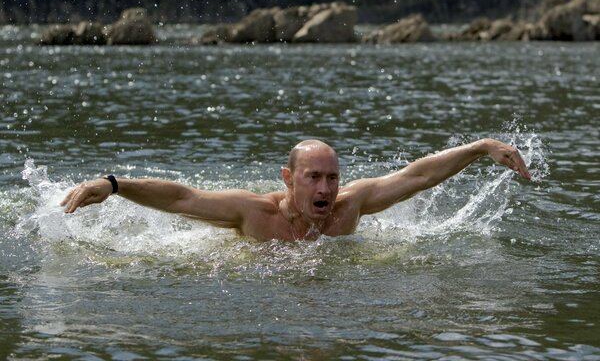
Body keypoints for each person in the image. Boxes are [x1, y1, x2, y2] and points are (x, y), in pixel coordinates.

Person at [61, 138, 531, 241]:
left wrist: (482, 147)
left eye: (332, 177)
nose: (326, 187)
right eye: (314, 177)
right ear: (288, 180)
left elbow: (417, 176)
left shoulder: (350, 208)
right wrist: (114, 184)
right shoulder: (253, 214)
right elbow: (183, 197)